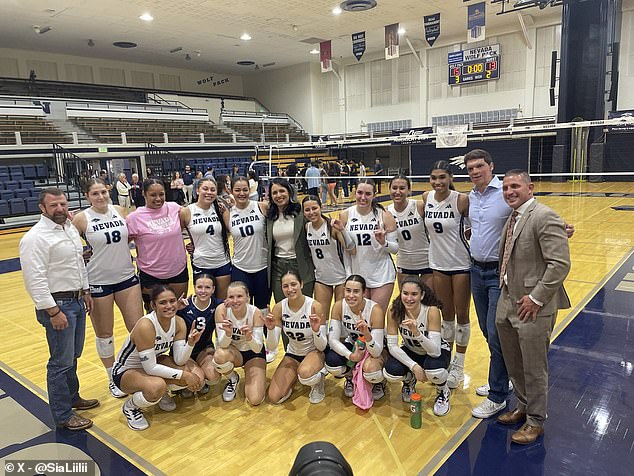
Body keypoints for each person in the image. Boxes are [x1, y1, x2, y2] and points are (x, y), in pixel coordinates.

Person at [495, 170, 571, 445]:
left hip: (533, 306)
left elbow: (559, 264)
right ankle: (524, 405)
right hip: (508, 299)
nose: (509, 191)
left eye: (515, 186)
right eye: (505, 187)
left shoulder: (544, 215)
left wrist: (536, 297)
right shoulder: (513, 217)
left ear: (530, 187)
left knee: (534, 365)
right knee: (514, 361)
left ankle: (536, 421)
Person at [19, 187, 99, 431]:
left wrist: (85, 290)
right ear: (42, 208)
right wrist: (53, 312)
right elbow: (35, 280)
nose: (60, 209)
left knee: (71, 357)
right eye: (53, 205)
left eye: (63, 204)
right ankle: (63, 415)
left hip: (75, 300)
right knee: (59, 362)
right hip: (57, 305)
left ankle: (72, 397)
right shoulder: (35, 238)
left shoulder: (69, 229)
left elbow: (77, 263)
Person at [72, 178, 143, 398]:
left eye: (103, 191)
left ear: (109, 191)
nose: (101, 196)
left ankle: (135, 368)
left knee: (138, 328)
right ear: (87, 196)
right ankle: (112, 375)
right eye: (95, 193)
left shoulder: (121, 210)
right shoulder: (81, 219)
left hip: (126, 277)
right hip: (98, 281)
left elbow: (133, 236)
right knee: (105, 334)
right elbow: (71, 248)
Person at [113, 285, 205, 431]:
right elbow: (150, 368)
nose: (169, 306)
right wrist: (185, 375)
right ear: (153, 305)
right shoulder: (146, 325)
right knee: (158, 386)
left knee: (195, 375)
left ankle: (160, 395)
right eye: (163, 302)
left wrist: (190, 343)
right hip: (125, 371)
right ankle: (130, 407)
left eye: (172, 301)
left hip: (152, 364)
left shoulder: (179, 322)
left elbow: (180, 360)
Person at [423, 161, 471, 390]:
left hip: (461, 264)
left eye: (442, 177)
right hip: (437, 264)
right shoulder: (426, 198)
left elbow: (475, 226)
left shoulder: (461, 200)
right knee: (446, 315)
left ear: (450, 177)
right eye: (433, 177)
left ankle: (459, 365)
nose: (437, 182)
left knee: (462, 315)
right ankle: (445, 359)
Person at [383, 276, 452, 415]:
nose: (409, 298)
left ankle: (442, 390)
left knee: (435, 371)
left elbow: (435, 351)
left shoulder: (431, 311)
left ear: (422, 295)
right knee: (390, 372)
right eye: (405, 293)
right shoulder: (394, 311)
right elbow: (392, 346)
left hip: (436, 351)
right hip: (411, 350)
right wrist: (414, 366)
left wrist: (417, 333)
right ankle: (409, 381)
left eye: (414, 294)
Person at [264, 271, 327, 404]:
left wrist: (316, 331)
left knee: (304, 373)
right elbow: (272, 346)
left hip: (314, 352)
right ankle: (294, 378)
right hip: (293, 354)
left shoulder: (314, 306)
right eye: (285, 286)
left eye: (293, 284)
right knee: (274, 397)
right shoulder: (279, 308)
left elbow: (322, 346)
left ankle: (318, 380)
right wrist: (270, 330)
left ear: (301, 284)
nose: (290, 289)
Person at [127, 178, 189, 310]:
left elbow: (189, 227)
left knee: (179, 312)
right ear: (144, 194)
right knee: (154, 318)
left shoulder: (175, 208)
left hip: (178, 271)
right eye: (153, 195)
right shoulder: (135, 217)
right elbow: (122, 244)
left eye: (161, 194)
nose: (158, 198)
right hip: (151, 275)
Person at [339, 178, 398, 314]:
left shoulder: (385, 216)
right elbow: (346, 249)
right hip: (356, 275)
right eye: (360, 193)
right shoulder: (345, 215)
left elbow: (395, 249)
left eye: (367, 194)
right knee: (361, 321)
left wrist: (384, 242)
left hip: (382, 275)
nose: (363, 197)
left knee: (376, 319)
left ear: (374, 195)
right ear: (355, 192)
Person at [325, 275, 386, 400]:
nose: (351, 295)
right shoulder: (338, 306)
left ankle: (379, 381)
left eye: (356, 291)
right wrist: (350, 355)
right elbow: (332, 340)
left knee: (372, 371)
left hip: (376, 349)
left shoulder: (375, 310)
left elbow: (377, 351)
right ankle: (350, 376)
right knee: (332, 362)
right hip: (355, 347)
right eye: (348, 290)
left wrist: (367, 334)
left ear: (364, 292)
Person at [211, 281, 266, 405]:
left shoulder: (255, 312)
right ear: (227, 298)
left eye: (239, 296)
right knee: (219, 355)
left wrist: (249, 337)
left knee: (255, 400)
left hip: (253, 353)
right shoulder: (222, 310)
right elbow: (223, 345)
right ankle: (232, 378)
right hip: (234, 352)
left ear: (248, 297)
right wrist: (228, 334)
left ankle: (251, 374)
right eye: (231, 297)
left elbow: (258, 349)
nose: (235, 300)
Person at [176, 274, 229, 398]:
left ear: (213, 289)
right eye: (199, 287)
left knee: (214, 376)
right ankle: (191, 380)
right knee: (196, 381)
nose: (203, 291)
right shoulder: (184, 305)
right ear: (194, 287)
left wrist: (231, 300)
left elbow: (236, 303)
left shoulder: (218, 304)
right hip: (184, 351)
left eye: (207, 287)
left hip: (204, 349)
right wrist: (175, 309)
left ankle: (200, 375)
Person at [302, 195, 354, 318]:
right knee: (320, 319)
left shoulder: (332, 227)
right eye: (307, 210)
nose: (311, 212)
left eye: (314, 208)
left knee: (340, 320)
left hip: (341, 277)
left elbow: (351, 249)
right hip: (322, 278)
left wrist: (342, 230)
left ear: (321, 208)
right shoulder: (306, 227)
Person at [180, 177, 231, 298]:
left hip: (222, 262)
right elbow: (176, 235)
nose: (209, 192)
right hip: (201, 263)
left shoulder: (221, 209)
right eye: (205, 189)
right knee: (204, 302)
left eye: (213, 190)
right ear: (198, 190)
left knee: (222, 303)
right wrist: (190, 244)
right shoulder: (187, 211)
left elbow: (231, 230)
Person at [266, 177, 315, 303]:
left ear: (289, 192)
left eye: (282, 191)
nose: (279, 195)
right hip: (278, 267)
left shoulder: (301, 212)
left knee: (304, 305)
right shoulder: (269, 216)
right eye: (274, 193)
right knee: (282, 306)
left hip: (301, 265)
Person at [224, 177, 270, 312]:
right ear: (231, 191)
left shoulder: (262, 206)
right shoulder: (228, 213)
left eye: (245, 190)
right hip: (240, 268)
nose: (241, 193)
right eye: (237, 190)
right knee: (242, 310)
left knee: (263, 310)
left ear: (250, 190)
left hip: (262, 267)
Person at [387, 175, 432, 289]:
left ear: (409, 190)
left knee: (428, 301)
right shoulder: (387, 212)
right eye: (394, 188)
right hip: (404, 263)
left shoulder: (419, 206)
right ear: (389, 189)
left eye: (402, 188)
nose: (398, 191)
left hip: (427, 262)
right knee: (408, 303)